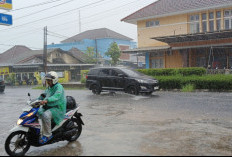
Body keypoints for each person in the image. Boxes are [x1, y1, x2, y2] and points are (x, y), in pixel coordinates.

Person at [38, 71, 67, 144]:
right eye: (47, 80)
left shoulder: (59, 87)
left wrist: (47, 100)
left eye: (49, 80)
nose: (48, 82)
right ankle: (43, 131)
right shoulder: (49, 87)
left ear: (54, 80)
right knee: (38, 112)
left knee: (45, 115)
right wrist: (37, 100)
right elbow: (44, 95)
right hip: (49, 106)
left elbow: (56, 96)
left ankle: (48, 135)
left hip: (57, 108)